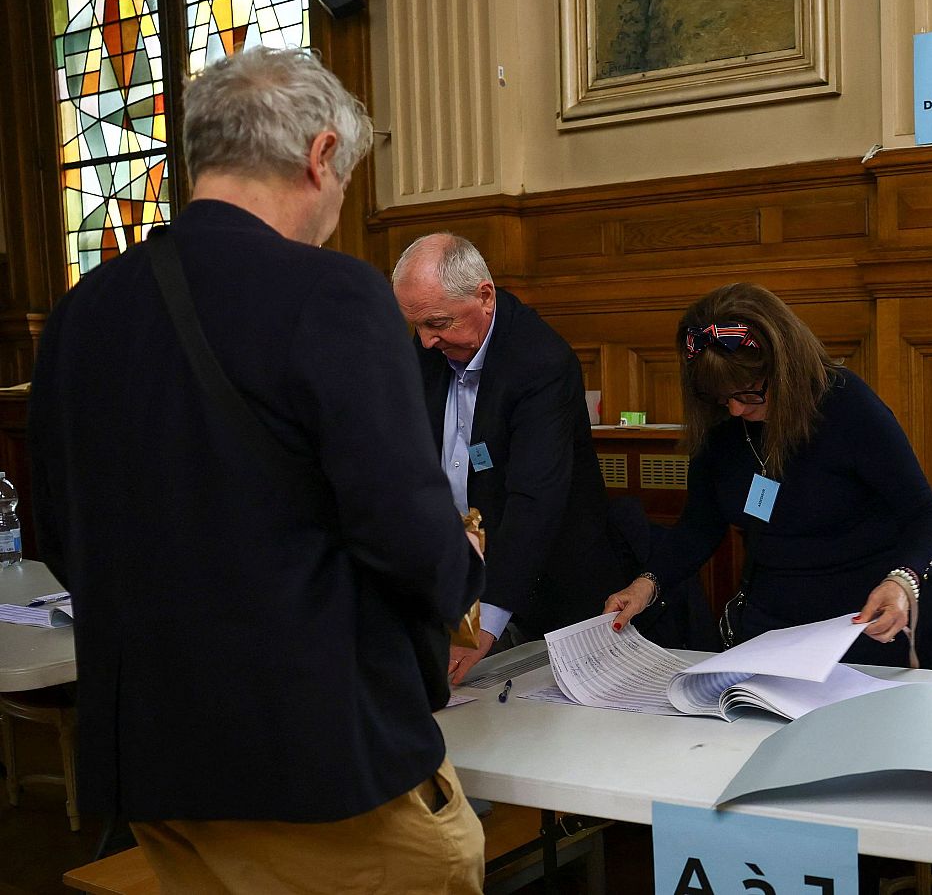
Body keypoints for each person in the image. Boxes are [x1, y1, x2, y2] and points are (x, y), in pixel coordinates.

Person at [28, 49, 485, 893]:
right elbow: (408, 539)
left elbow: (54, 532)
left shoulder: (79, 315)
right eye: (344, 179)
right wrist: (468, 564)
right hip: (317, 763)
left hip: (157, 761)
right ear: (319, 157)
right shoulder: (333, 295)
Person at [606, 282, 932, 667]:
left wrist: (902, 581)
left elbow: (926, 515)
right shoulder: (721, 422)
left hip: (861, 623)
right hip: (767, 627)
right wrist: (646, 584)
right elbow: (700, 525)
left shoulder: (846, 404)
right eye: (722, 397)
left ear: (787, 369)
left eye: (749, 393)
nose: (735, 409)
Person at [393, 233, 631, 682]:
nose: (425, 341)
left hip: (550, 585)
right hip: (462, 575)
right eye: (416, 326)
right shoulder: (431, 350)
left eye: (438, 323)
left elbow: (534, 499)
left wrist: (484, 621)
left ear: (484, 296)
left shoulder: (540, 360)